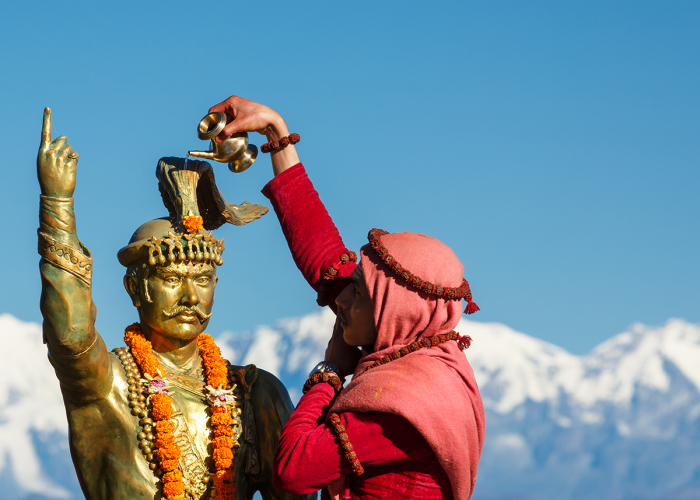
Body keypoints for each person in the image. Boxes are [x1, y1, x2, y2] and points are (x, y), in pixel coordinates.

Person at [206, 96, 486, 499]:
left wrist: (330, 373)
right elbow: (323, 257)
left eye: (358, 290)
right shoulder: (407, 349)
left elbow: (294, 470)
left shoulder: (410, 406)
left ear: (395, 310)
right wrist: (276, 133)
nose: (340, 299)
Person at [36, 108, 314, 500]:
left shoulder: (255, 395)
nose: (189, 297)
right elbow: (70, 336)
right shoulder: (108, 385)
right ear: (135, 288)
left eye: (202, 280)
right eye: (170, 279)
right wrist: (57, 203)